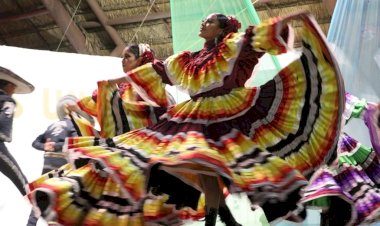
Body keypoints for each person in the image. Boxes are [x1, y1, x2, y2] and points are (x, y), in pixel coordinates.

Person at [28, 11, 345, 226]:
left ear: (221, 28)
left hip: (231, 109)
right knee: (200, 164)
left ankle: (294, 202)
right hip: (196, 113)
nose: (202, 26)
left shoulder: (236, 44)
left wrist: (289, 21)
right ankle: (218, 218)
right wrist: (118, 83)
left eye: (208, 23)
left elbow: (271, 35)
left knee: (241, 162)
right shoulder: (190, 59)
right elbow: (161, 72)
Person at [73, 43, 175, 138]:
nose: (123, 60)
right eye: (123, 57)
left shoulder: (151, 86)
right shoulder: (122, 88)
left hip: (150, 139)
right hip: (129, 140)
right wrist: (77, 107)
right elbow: (103, 106)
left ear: (140, 60)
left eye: (127, 56)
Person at [0, 66, 38, 226]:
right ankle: (40, 206)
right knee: (21, 180)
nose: (14, 90)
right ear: (8, 86)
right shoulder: (7, 101)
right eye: (13, 86)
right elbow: (3, 121)